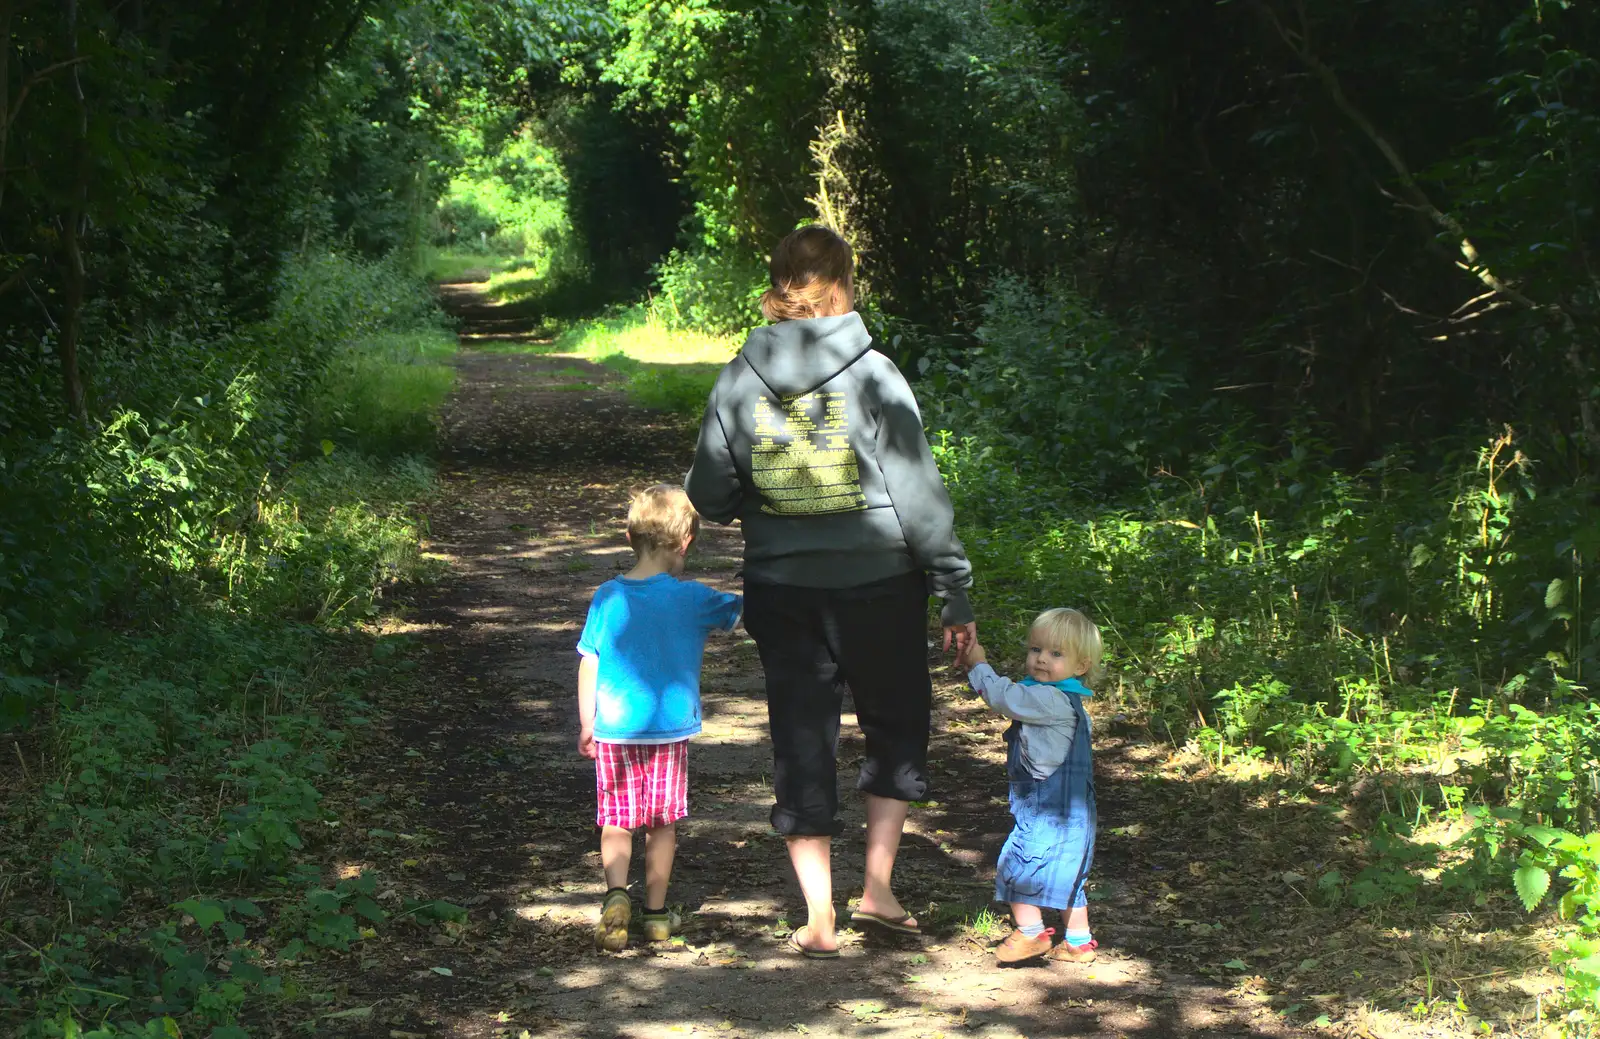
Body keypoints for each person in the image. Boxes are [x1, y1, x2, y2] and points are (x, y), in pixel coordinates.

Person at [685, 225, 975, 959]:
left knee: (800, 735)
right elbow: (919, 495)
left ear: (778, 283)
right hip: (880, 584)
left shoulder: (737, 376)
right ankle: (877, 888)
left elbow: (711, 496)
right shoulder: (876, 374)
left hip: (782, 590)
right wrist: (953, 588)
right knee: (896, 722)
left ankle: (818, 917)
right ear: (845, 283)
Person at [576, 484, 743, 952]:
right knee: (661, 822)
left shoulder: (608, 597)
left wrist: (586, 721)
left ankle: (614, 897)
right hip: (669, 733)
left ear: (629, 537)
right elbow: (746, 609)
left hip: (613, 729)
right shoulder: (693, 599)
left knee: (615, 819)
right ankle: (655, 914)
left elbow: (589, 659)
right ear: (685, 542)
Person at [958, 608, 1102, 965]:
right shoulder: (1069, 702)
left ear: (1080, 666)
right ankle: (1078, 942)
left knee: (1017, 865)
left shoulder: (1048, 699)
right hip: (1076, 813)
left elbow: (1004, 697)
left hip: (1047, 810)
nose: (1041, 659)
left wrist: (978, 665)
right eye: (1036, 649)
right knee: (1069, 873)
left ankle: (1031, 932)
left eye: (1056, 654)